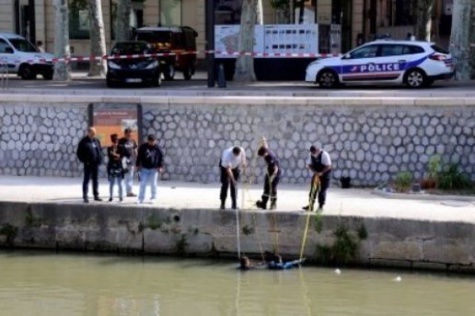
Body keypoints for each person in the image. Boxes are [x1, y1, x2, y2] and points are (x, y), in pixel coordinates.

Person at [76, 127, 103, 203]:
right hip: (88, 164)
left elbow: (100, 150)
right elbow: (79, 153)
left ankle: (96, 195)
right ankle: (85, 196)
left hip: (95, 164)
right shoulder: (83, 142)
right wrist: (85, 161)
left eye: (95, 133)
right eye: (92, 133)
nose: (94, 134)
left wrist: (100, 159)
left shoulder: (96, 141)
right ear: (88, 133)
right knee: (86, 180)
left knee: (96, 180)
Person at [135, 135, 164, 204]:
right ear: (148, 141)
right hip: (144, 169)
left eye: (153, 141)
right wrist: (137, 165)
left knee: (153, 184)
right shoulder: (143, 147)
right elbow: (139, 157)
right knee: (143, 183)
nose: (152, 142)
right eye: (151, 141)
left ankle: (153, 197)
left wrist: (160, 166)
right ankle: (141, 198)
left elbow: (161, 158)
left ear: (155, 141)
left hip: (154, 169)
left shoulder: (157, 148)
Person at [303, 146, 332, 212]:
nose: (314, 154)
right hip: (316, 174)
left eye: (315, 152)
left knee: (322, 191)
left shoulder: (324, 155)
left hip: (325, 174)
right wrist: (314, 172)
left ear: (317, 150)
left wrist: (322, 173)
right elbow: (309, 165)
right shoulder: (311, 155)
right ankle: (311, 205)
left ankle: (320, 207)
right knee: (313, 189)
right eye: (312, 153)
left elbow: (329, 166)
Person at [255, 145, 281, 210]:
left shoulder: (270, 157)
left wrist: (272, 177)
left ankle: (273, 204)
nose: (262, 157)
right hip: (269, 172)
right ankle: (264, 203)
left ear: (265, 153)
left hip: (275, 174)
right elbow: (265, 146)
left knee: (272, 188)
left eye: (262, 155)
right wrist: (263, 140)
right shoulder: (266, 152)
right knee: (266, 187)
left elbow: (276, 168)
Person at [118, 128, 138, 197]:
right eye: (128, 134)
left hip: (131, 161)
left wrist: (137, 159)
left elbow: (135, 150)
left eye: (131, 134)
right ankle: (122, 191)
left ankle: (129, 192)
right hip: (123, 162)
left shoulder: (133, 141)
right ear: (125, 134)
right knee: (124, 177)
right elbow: (117, 151)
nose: (130, 135)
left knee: (130, 177)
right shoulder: (120, 141)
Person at [107, 134, 125, 202]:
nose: (116, 142)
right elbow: (110, 157)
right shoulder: (109, 148)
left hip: (119, 166)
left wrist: (114, 154)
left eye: (117, 141)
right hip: (112, 166)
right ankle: (111, 196)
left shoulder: (121, 148)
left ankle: (121, 196)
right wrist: (117, 155)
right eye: (114, 141)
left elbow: (121, 156)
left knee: (120, 183)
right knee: (111, 183)